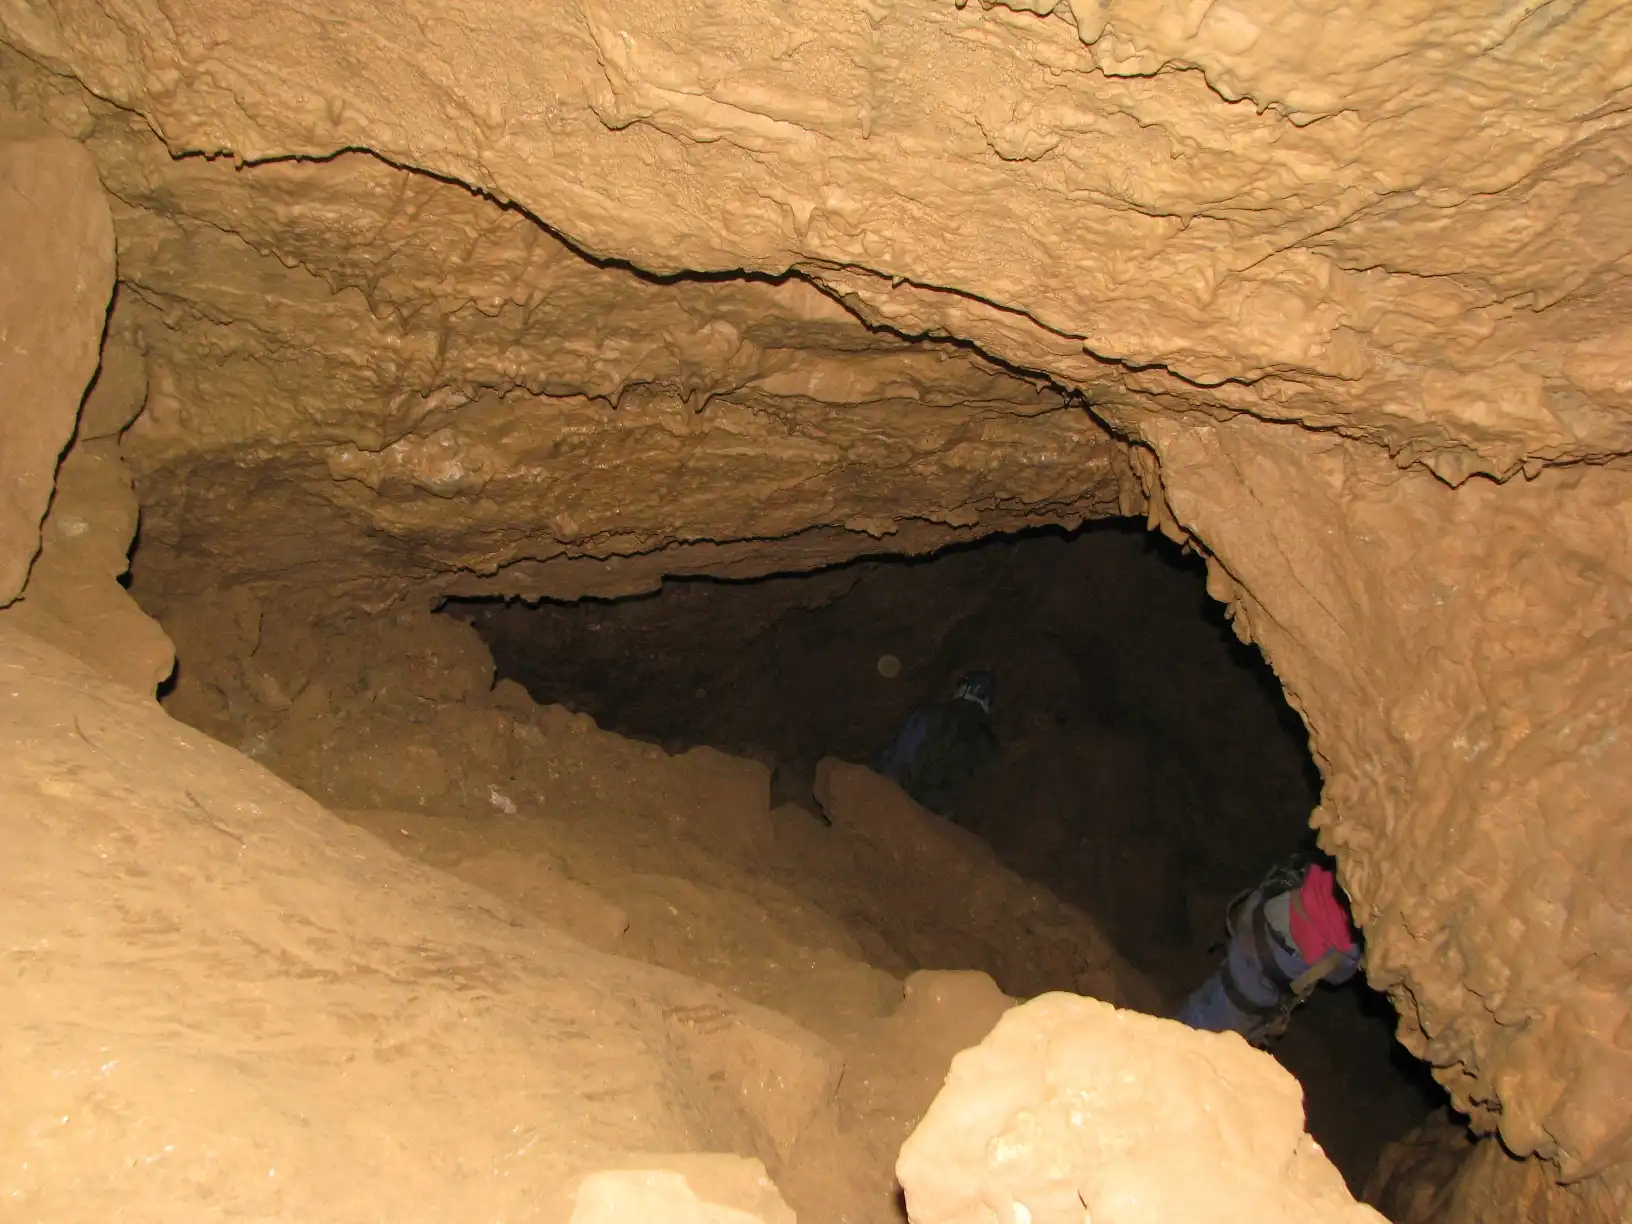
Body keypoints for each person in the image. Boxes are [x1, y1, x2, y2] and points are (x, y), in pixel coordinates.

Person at [1176, 848, 1363, 1046]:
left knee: (1227, 986)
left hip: (1270, 908)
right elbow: (1338, 975)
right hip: (1275, 959)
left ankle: (1188, 1019)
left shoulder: (1348, 860)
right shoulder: (1354, 934)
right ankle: (1180, 1047)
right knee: (1223, 1016)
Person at [877, 669, 999, 817]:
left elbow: (901, 755)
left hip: (900, 799)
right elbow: (977, 791)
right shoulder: (987, 744)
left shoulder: (931, 715)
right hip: (936, 816)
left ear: (963, 689)